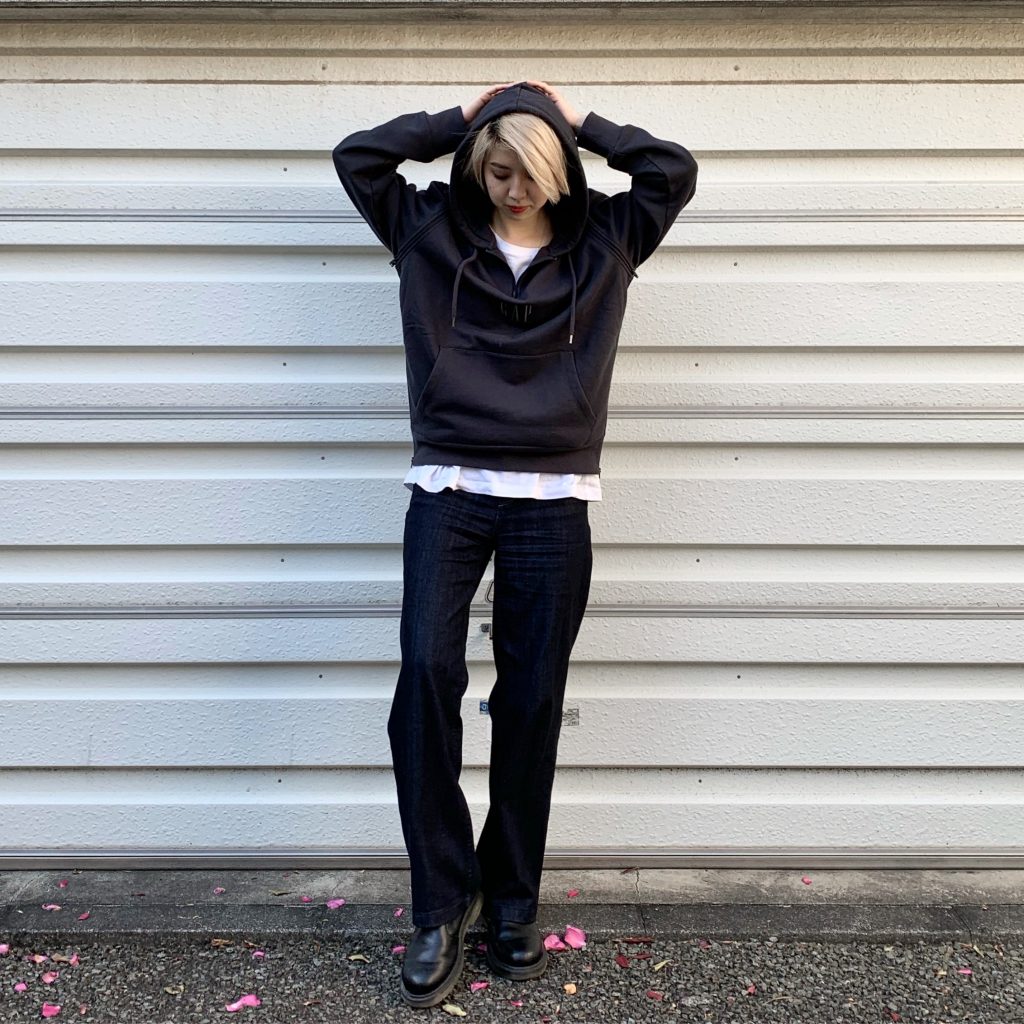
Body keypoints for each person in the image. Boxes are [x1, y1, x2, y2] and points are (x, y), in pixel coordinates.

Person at [332, 79, 697, 1008]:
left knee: (531, 701)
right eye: (498, 171)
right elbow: (358, 158)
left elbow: (671, 170)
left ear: (562, 171)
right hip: (449, 491)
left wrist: (578, 120)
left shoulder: (609, 237)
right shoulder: (428, 228)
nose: (515, 190)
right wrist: (464, 115)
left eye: (533, 173)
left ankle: (513, 902)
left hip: (553, 500)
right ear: (478, 167)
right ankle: (437, 904)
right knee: (426, 679)